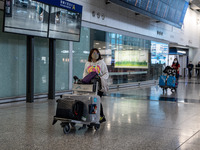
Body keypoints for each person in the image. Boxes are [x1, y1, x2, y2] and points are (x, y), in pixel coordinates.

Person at [83, 48, 109, 123]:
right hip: (90, 85)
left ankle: (100, 116)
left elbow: (106, 73)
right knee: (91, 100)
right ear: (90, 54)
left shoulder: (101, 63)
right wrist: (85, 80)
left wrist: (101, 79)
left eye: (97, 53)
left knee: (96, 100)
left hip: (99, 86)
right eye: (93, 53)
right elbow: (85, 73)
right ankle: (93, 116)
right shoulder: (87, 63)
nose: (95, 54)